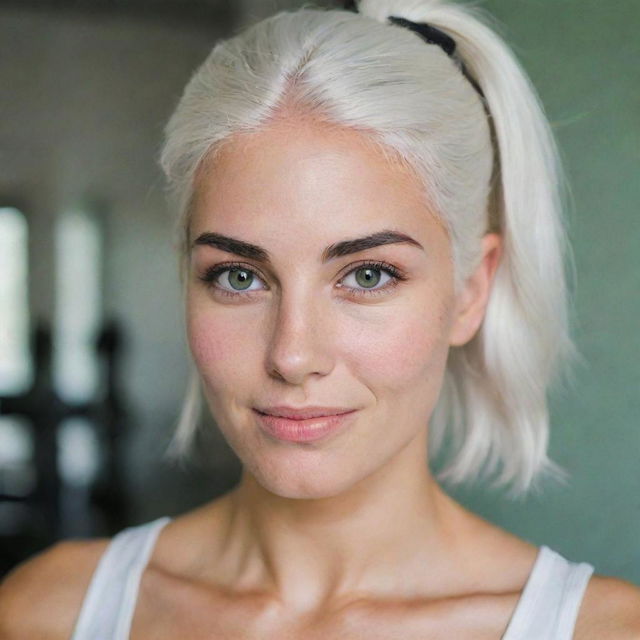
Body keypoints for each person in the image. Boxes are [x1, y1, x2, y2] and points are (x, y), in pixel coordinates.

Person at [1, 1, 639, 637]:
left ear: (472, 291)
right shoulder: (47, 612)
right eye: (238, 276)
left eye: (368, 275)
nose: (292, 354)